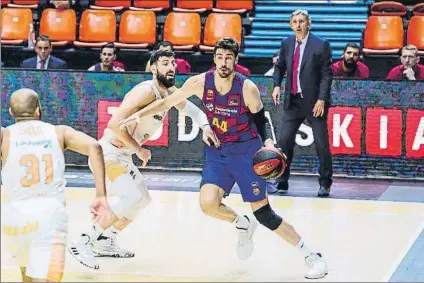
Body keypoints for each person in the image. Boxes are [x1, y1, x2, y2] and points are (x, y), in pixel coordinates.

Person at [119, 37, 328, 280]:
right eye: (220, 57)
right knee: (208, 204)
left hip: (247, 153)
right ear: (214, 59)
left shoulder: (246, 87)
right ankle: (242, 224)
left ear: (235, 60)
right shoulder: (199, 82)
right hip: (218, 152)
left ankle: (312, 256)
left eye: (229, 57)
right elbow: (167, 102)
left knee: (264, 215)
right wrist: (138, 115)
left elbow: (262, 119)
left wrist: (269, 143)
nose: (224, 62)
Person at [68, 49, 218, 268]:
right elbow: (113, 125)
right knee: (130, 197)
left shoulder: (169, 92)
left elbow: (195, 112)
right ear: (154, 67)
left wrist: (205, 127)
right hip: (108, 154)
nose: (172, 67)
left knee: (142, 200)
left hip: (123, 156)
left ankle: (105, 239)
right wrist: (139, 149)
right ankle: (83, 239)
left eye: (173, 63)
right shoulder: (146, 91)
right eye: (166, 63)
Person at [1, 88, 113, 281]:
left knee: (26, 276)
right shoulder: (59, 132)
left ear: (11, 112)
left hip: (14, 216)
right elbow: (95, 147)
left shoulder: (5, 135)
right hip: (49, 215)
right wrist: (101, 196)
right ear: (38, 109)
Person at [272, 9, 333, 197]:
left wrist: (322, 99)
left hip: (314, 103)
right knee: (284, 141)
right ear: (291, 24)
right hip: (293, 101)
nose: (298, 25)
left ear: (309, 24)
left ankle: (325, 182)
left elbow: (326, 75)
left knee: (321, 144)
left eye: (302, 21)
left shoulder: (321, 44)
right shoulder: (287, 43)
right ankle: (282, 181)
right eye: (295, 21)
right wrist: (276, 86)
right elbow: (279, 66)